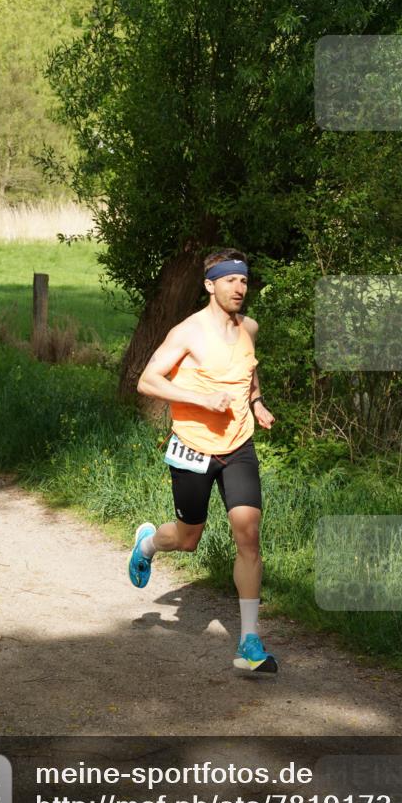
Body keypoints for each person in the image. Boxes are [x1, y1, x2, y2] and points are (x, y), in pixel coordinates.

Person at [127, 247, 278, 675]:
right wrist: (201, 399)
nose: (239, 287)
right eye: (230, 280)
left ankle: (249, 642)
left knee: (248, 535)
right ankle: (148, 544)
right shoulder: (187, 332)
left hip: (239, 446)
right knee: (188, 538)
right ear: (211, 285)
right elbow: (147, 381)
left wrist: (257, 402)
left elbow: (249, 371)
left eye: (244, 280)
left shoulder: (249, 328)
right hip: (193, 447)